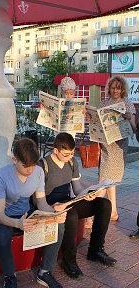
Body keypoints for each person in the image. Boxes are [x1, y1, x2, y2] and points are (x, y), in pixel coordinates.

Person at [0, 137, 67, 288]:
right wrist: (18, 223)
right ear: (14, 160)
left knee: (59, 226)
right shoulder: (1, 176)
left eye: (33, 165)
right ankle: (9, 275)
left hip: (26, 214)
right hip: (6, 217)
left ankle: (45, 272)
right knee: (1, 236)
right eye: (26, 166)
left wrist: (54, 214)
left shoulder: (38, 171)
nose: (30, 170)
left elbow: (42, 203)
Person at [39, 132, 117, 279]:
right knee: (71, 214)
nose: (70, 157)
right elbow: (38, 197)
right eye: (66, 154)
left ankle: (95, 250)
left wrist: (87, 194)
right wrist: (52, 207)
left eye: (72, 153)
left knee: (104, 204)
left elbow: (77, 188)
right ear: (56, 150)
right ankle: (68, 261)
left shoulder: (71, 162)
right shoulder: (43, 165)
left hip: (68, 202)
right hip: (51, 206)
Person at [96, 76, 136, 221]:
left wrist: (127, 118)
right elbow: (97, 122)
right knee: (108, 178)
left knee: (104, 180)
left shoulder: (127, 104)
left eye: (118, 88)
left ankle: (92, 212)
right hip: (105, 145)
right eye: (113, 87)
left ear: (123, 89)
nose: (115, 90)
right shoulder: (104, 102)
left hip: (119, 146)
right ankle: (113, 212)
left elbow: (133, 129)